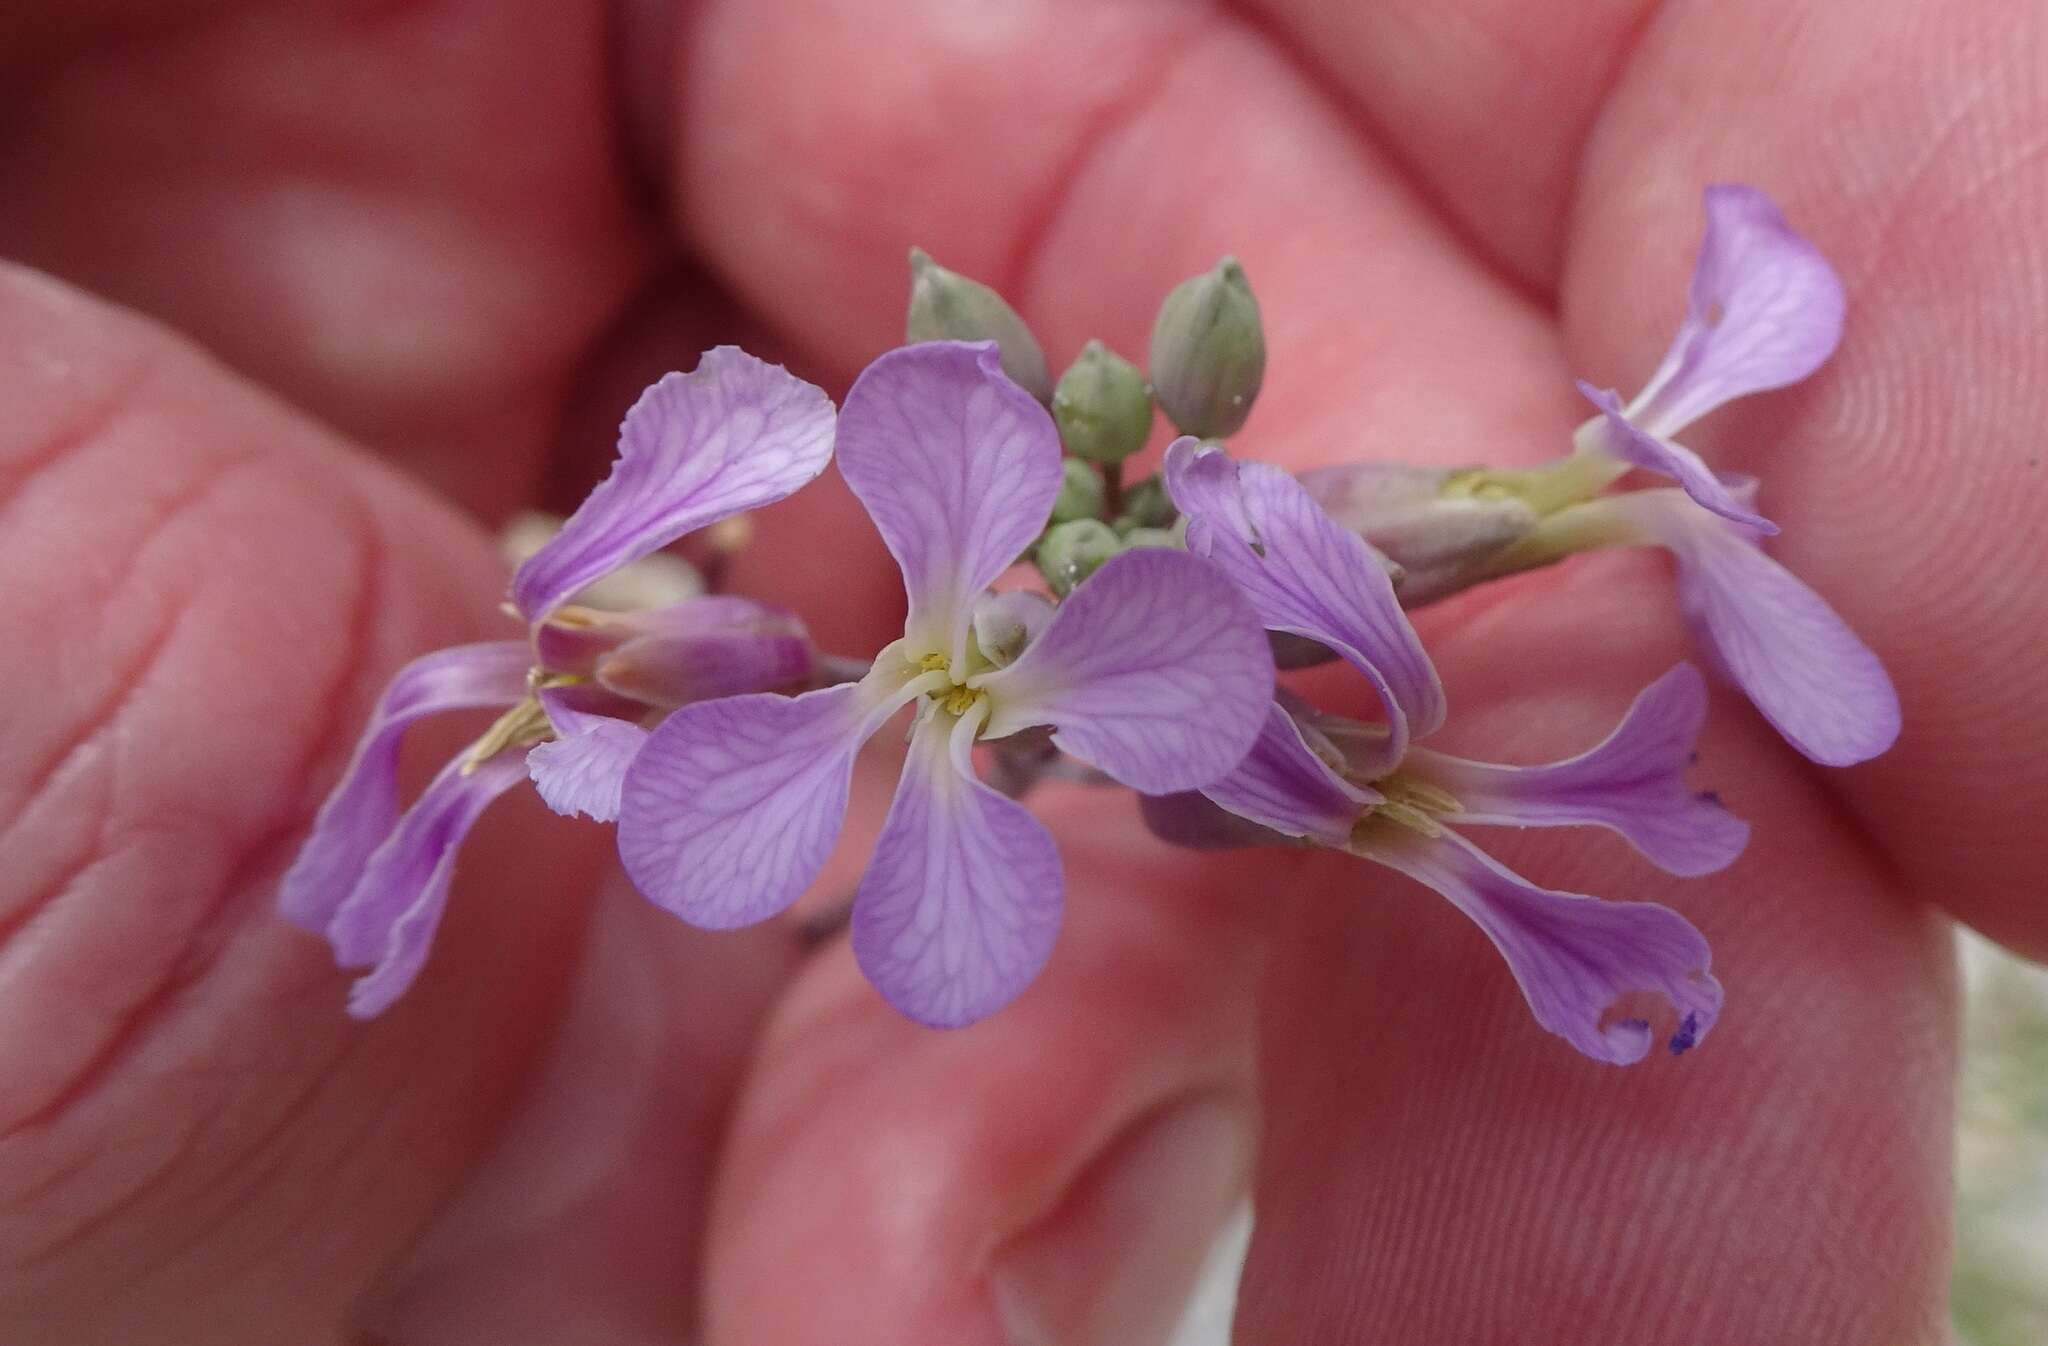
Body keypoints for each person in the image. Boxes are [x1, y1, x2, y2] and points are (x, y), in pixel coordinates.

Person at [0, 1, 2039, 1341]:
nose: (947, 682)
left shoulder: (1177, 645)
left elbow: (1169, 629)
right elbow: (1049, 612)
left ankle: (1589, 498)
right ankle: (1583, 504)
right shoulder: (873, 616)